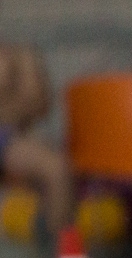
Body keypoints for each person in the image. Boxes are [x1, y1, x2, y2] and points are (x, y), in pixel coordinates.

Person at [0, 43, 73, 239]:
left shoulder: (18, 56)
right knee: (56, 169)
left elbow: (39, 107)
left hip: (9, 136)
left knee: (56, 169)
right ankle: (58, 240)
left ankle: (59, 245)